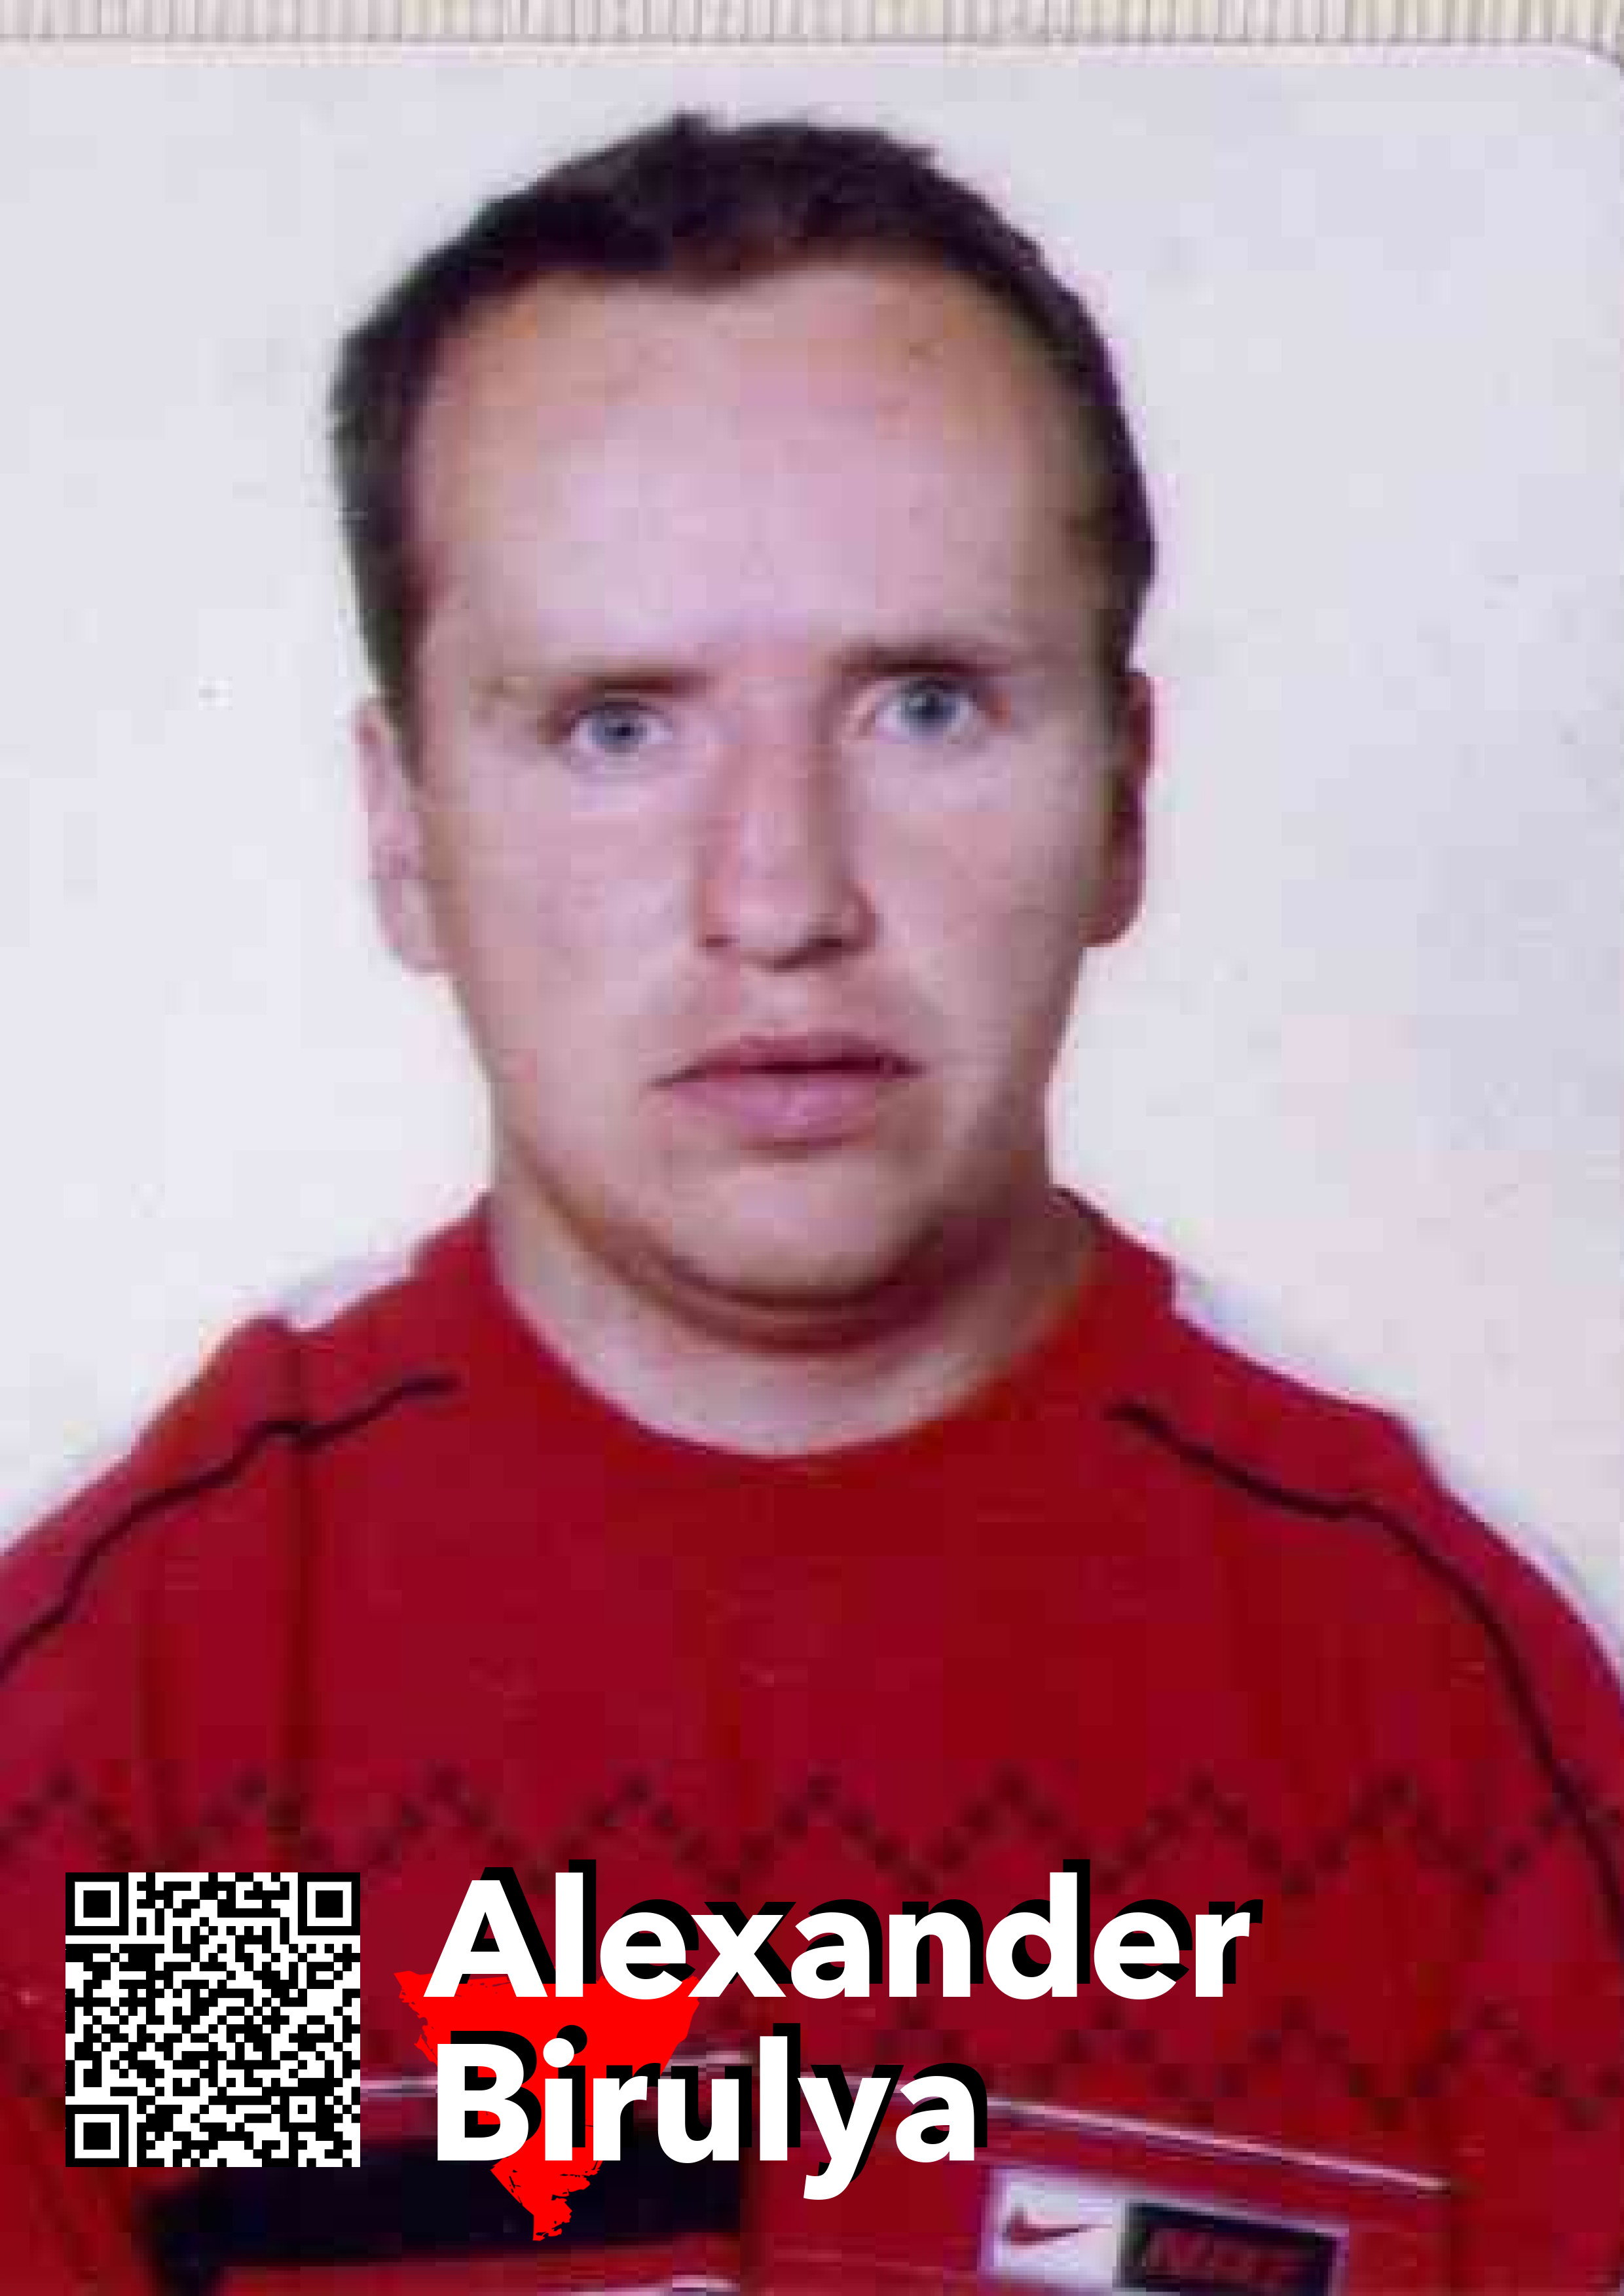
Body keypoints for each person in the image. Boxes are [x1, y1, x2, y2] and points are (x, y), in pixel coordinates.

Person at [1, 111, 1620, 2294]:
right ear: (403, 833)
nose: (780, 895)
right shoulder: (185, 1718)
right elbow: (248, 2221)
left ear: (1125, 796)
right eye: (615, 724)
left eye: (928, 705)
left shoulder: (1437, 1714)